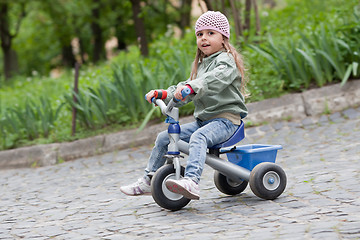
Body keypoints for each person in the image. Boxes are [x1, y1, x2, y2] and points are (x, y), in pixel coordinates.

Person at [120, 11, 248, 200]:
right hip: (204, 121)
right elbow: (187, 87)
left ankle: (192, 181)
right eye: (200, 34)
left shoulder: (226, 61)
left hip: (226, 121)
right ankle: (150, 179)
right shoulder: (202, 64)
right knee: (164, 137)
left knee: (198, 137)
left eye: (210, 33)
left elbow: (213, 80)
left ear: (223, 38)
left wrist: (191, 86)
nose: (204, 38)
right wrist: (165, 93)